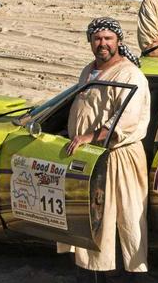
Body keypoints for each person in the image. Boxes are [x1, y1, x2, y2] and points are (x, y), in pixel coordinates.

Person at [63, 17, 151, 281]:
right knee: (92, 219)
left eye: (108, 38)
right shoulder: (89, 70)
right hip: (89, 156)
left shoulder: (129, 75)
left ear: (119, 42)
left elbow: (125, 121)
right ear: (90, 42)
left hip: (118, 156)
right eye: (97, 38)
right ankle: (92, 273)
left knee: (122, 220)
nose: (102, 43)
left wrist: (90, 136)